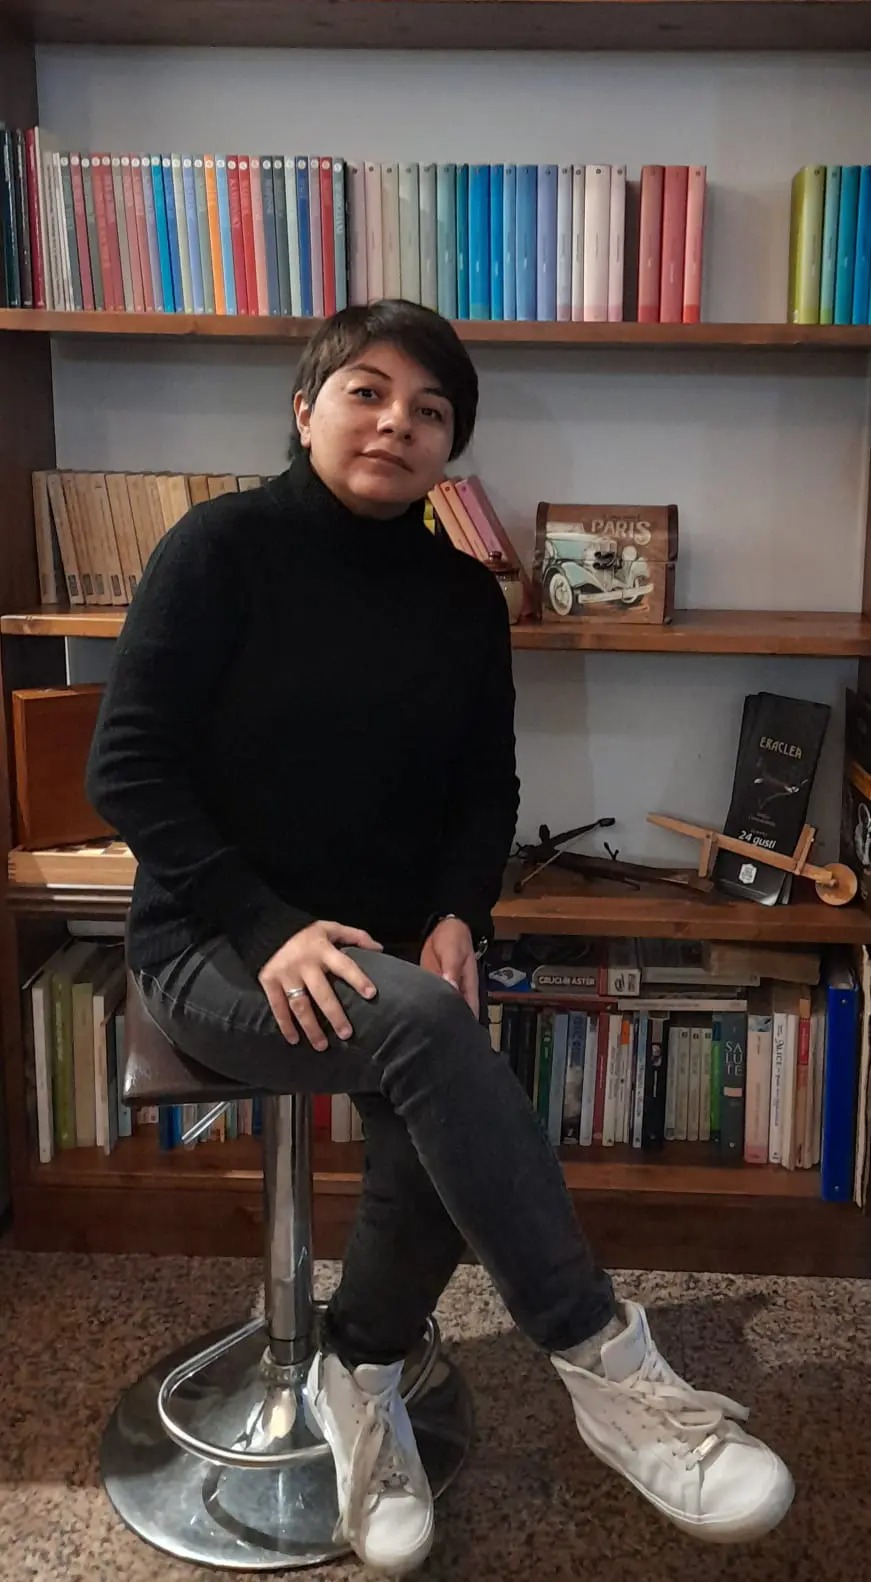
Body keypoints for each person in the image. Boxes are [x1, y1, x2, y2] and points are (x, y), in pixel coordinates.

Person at [87, 300, 793, 1576]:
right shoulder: (218, 549)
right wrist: (269, 925)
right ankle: (600, 1360)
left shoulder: (464, 595)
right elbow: (128, 772)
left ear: (449, 445)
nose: (395, 423)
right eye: (366, 392)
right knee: (426, 1029)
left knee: (431, 1047)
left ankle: (359, 1371)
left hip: (389, 949)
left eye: (429, 409)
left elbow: (485, 790)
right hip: (213, 939)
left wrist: (463, 911)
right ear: (304, 409)